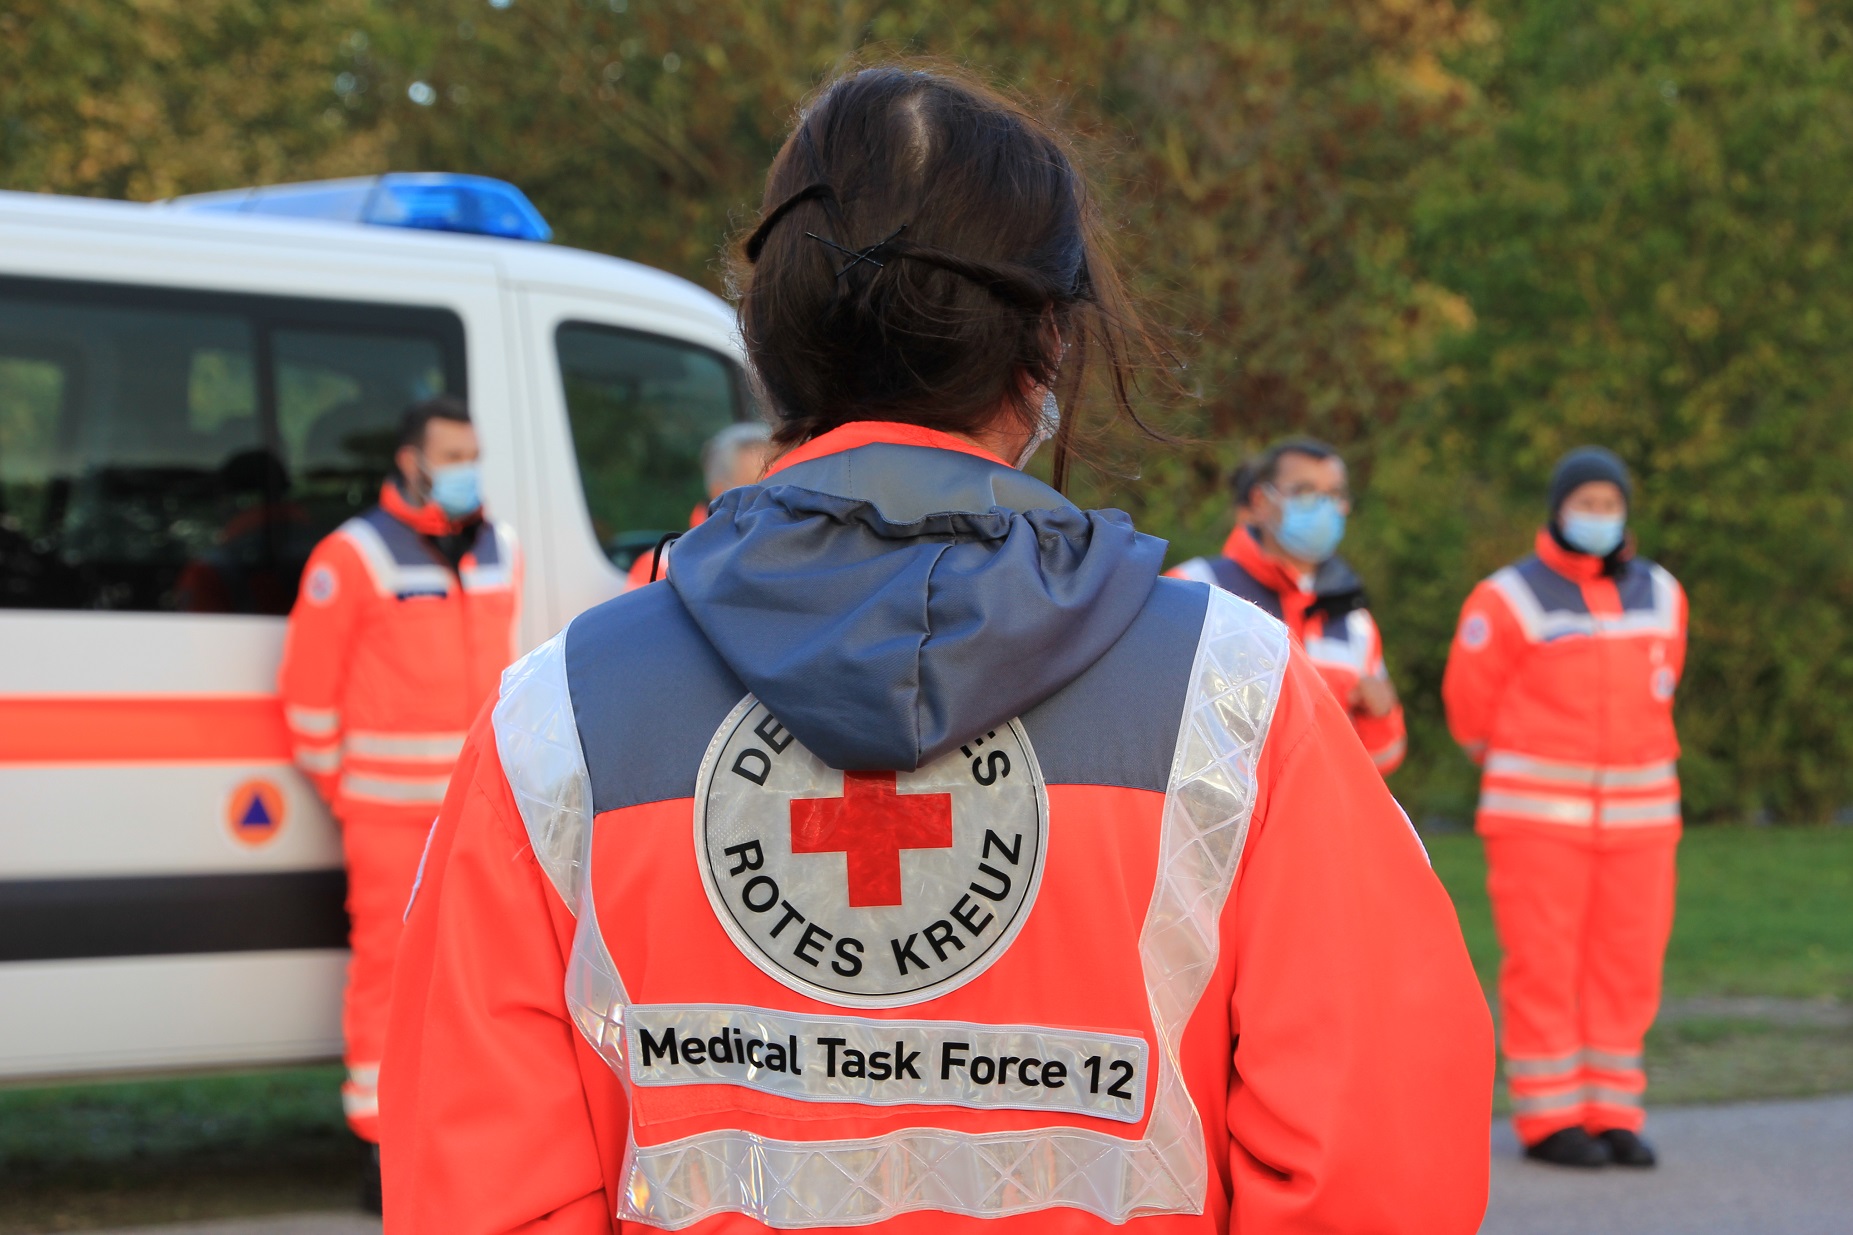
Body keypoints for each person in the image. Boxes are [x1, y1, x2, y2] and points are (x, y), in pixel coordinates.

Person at [382, 65, 1491, 1233]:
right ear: (1048, 343)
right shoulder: (1235, 700)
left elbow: (477, 1186)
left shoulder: (557, 719)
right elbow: (1374, 1166)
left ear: (766, 331)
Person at [276, 394, 520, 1207]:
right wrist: (349, 793)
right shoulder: (353, 555)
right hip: (386, 816)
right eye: (451, 455)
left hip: (479, 812)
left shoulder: (500, 550)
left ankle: (463, 1135)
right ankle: (381, 1146)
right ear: (410, 460)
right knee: (386, 976)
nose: (465, 470)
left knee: (481, 977)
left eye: (472, 453)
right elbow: (307, 701)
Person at [1443, 446, 1686, 1170]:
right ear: (1556, 508)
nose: (1598, 516)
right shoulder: (1508, 596)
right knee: (1544, 964)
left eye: (1609, 504)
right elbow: (1468, 707)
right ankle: (1549, 1119)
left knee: (1627, 966)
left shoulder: (1664, 592)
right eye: (1585, 502)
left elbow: (1664, 681)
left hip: (1642, 821)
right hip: (1535, 820)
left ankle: (1612, 1110)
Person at [1170, 439, 1407, 774]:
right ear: (1261, 501)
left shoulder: (1355, 622)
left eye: (1335, 494)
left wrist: (1380, 718)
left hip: (1320, 820)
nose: (1324, 507)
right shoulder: (1196, 587)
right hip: (1219, 818)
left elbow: (1378, 765)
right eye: (1306, 491)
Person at [624, 420, 774, 588]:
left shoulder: (788, 554)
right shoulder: (660, 567)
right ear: (719, 492)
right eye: (759, 489)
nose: (776, 496)